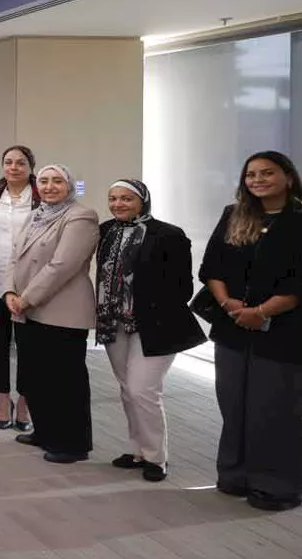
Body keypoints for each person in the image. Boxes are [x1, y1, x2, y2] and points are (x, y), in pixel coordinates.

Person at [200, 151, 302, 511]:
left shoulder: (298, 220)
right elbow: (211, 267)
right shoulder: (234, 215)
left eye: (267, 173)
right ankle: (235, 475)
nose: (257, 180)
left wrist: (261, 312)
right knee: (233, 403)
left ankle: (277, 486)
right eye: (251, 174)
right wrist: (229, 305)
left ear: (288, 177)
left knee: (274, 408)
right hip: (232, 327)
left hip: (284, 330)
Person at [97, 179, 204, 483]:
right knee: (127, 389)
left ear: (142, 201)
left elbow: (183, 287)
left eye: (126, 198)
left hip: (155, 324)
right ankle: (137, 450)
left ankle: (156, 457)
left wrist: (146, 303)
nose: (118, 204)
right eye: (113, 198)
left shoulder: (168, 234)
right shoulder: (106, 231)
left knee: (142, 390)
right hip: (114, 322)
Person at [6, 164, 100, 464]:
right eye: (44, 181)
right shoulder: (37, 214)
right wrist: (9, 291)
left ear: (69, 185)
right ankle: (46, 431)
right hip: (28, 309)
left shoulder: (81, 216)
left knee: (65, 381)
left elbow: (62, 266)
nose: (49, 187)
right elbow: (15, 256)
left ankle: (73, 444)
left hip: (61, 312)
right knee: (37, 377)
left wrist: (25, 298)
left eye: (57, 181)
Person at [0, 145, 39, 430]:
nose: (14, 167)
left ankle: (24, 404)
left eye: (20, 163)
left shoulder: (40, 198)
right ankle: (3, 401)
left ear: (30, 167)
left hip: (28, 285)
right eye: (8, 162)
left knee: (28, 349)